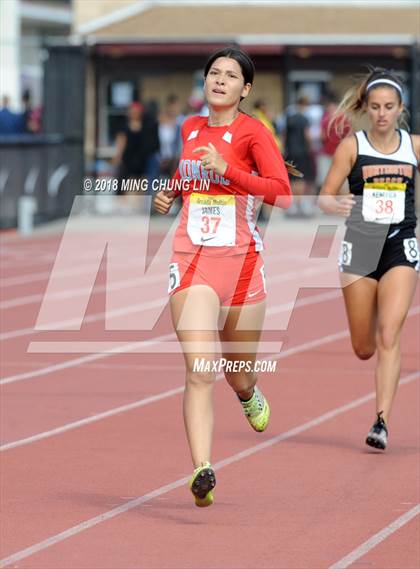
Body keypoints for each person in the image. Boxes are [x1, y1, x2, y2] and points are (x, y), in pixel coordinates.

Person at [154, 47, 295, 507]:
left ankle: (249, 393)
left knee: (237, 373)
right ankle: (202, 468)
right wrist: (171, 192)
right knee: (199, 369)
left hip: (241, 264)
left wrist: (229, 170)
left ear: (244, 89)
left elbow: (282, 194)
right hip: (191, 259)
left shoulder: (254, 133)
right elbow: (187, 168)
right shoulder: (190, 127)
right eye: (214, 72)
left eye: (230, 75)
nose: (219, 80)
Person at [319, 68, 419, 451]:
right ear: (366, 108)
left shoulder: (413, 146)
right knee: (364, 347)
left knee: (390, 335)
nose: (381, 114)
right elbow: (326, 194)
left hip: (400, 244)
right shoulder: (352, 147)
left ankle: (381, 421)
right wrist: (336, 204)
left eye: (389, 107)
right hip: (360, 246)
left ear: (400, 108)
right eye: (375, 107)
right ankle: (373, 311)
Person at [113, 101, 160, 209]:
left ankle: (139, 207)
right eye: (132, 111)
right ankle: (122, 206)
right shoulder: (124, 126)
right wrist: (118, 156)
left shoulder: (146, 125)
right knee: (124, 183)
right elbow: (121, 141)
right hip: (127, 158)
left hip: (141, 158)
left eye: (136, 112)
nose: (134, 113)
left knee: (141, 183)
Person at [283, 95, 315, 217]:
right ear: (305, 105)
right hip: (302, 152)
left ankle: (292, 206)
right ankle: (300, 205)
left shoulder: (289, 118)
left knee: (292, 177)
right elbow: (307, 136)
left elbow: (284, 135)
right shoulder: (305, 119)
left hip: (290, 152)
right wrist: (311, 147)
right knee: (301, 178)